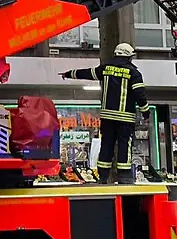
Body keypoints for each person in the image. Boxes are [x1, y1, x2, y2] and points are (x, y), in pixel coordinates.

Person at [60, 43, 148, 184]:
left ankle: (103, 177)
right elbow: (140, 95)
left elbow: (88, 73)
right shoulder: (134, 73)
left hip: (107, 117)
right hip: (125, 117)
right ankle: (125, 176)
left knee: (106, 145)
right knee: (124, 145)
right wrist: (146, 112)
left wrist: (69, 73)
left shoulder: (106, 69)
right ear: (129, 56)